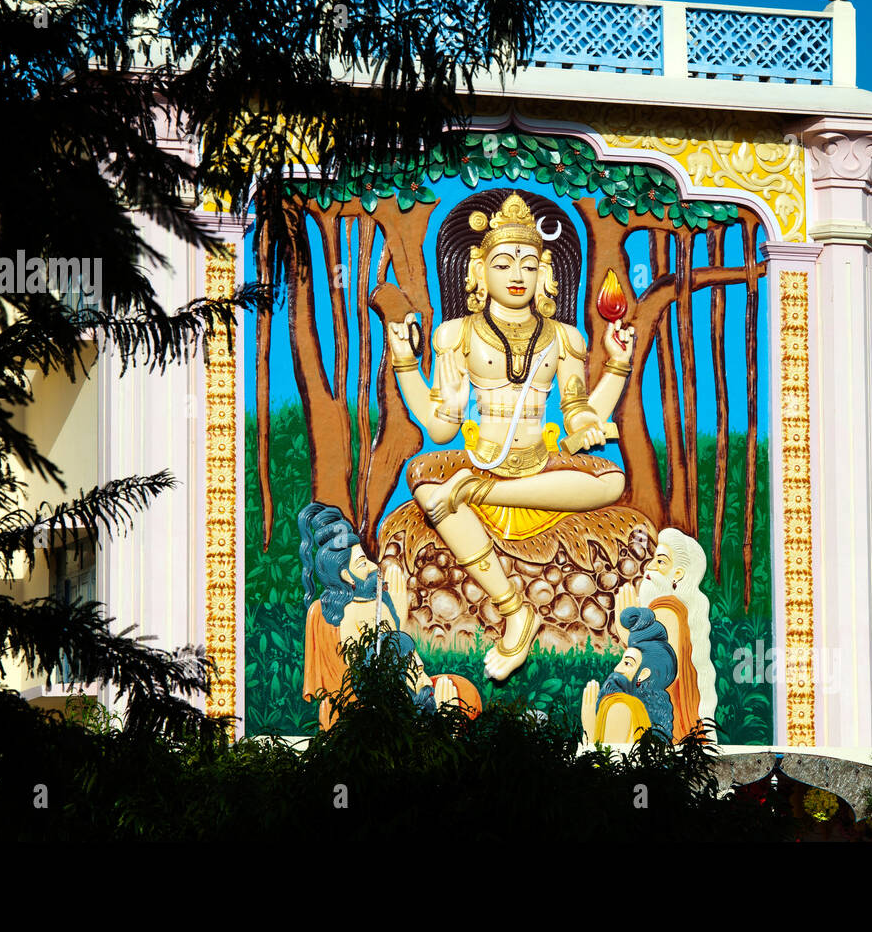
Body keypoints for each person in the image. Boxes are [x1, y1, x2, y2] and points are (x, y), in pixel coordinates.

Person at [385, 190, 636, 681]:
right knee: (425, 479)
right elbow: (442, 424)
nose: (517, 276)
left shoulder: (565, 339)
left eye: (527, 264)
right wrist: (406, 363)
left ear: (544, 272)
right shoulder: (456, 335)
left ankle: (483, 492)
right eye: (503, 264)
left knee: (612, 479)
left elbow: (579, 413)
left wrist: (619, 364)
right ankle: (514, 610)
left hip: (539, 471)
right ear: (480, 272)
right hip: (481, 459)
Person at [297, 502, 480, 729]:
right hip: (375, 708)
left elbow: (400, 649)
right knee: (452, 704)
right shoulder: (332, 615)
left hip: (407, 689)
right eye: (363, 563)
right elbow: (372, 672)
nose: (374, 567)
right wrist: (439, 710)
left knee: (465, 692)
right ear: (346, 575)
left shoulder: (377, 600)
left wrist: (397, 608)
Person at [613, 527, 718, 741]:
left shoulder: (667, 608)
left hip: (668, 706)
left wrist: (623, 630)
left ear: (677, 573)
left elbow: (659, 665)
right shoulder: (673, 608)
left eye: (660, 561)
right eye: (654, 559)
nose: (650, 566)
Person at [579, 606, 677, 745]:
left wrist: (589, 728)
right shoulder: (650, 715)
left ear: (643, 675)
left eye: (627, 663)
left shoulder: (621, 706)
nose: (617, 669)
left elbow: (609, 762)